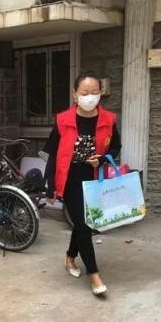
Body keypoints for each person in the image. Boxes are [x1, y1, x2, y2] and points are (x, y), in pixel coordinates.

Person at [44, 70, 121, 295]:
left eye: (94, 92)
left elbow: (115, 147)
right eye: (85, 92)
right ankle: (94, 274)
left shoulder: (109, 120)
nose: (90, 97)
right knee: (84, 225)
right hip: (70, 179)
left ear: (100, 93)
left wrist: (103, 159)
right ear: (75, 94)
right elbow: (53, 155)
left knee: (83, 224)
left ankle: (70, 257)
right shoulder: (62, 120)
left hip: (95, 178)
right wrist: (50, 186)